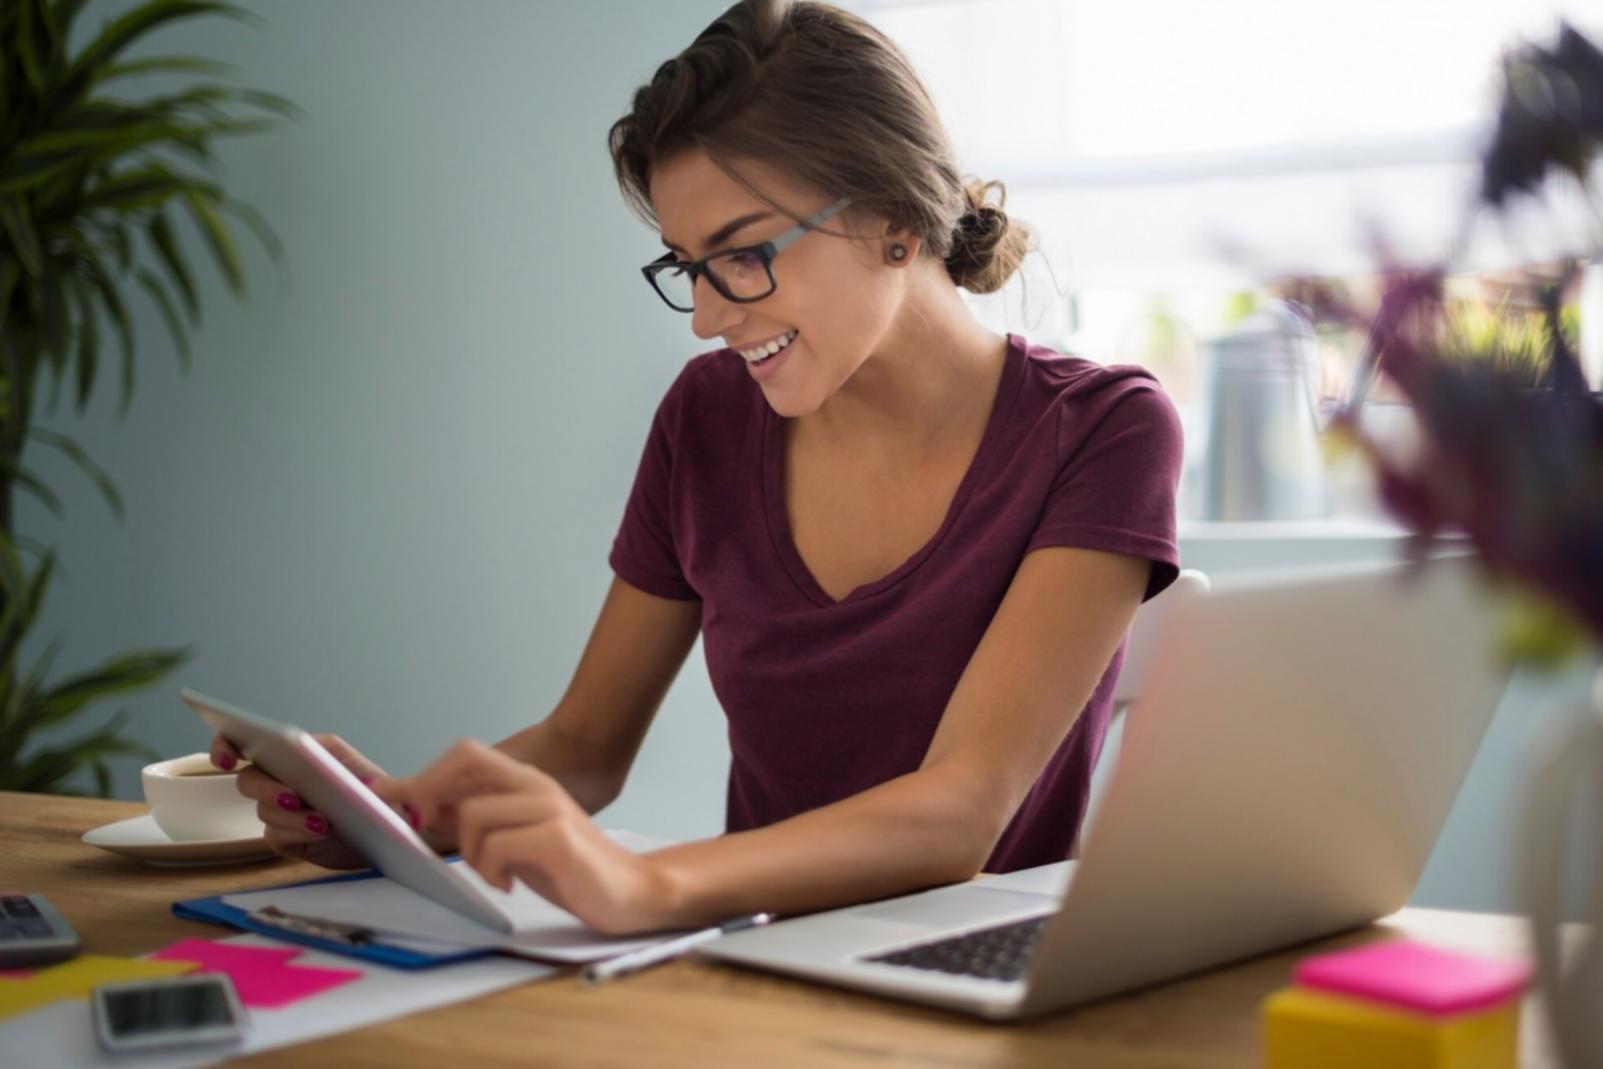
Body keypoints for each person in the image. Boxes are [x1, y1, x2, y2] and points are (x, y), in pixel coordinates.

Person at [211, 0, 1183, 936]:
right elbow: (585, 746)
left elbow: (962, 810)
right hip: (744, 963)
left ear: (893, 216)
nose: (708, 318)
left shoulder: (1101, 430)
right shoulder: (706, 417)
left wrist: (644, 884)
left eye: (744, 254)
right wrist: (390, 818)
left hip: (973, 982)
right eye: (686, 266)